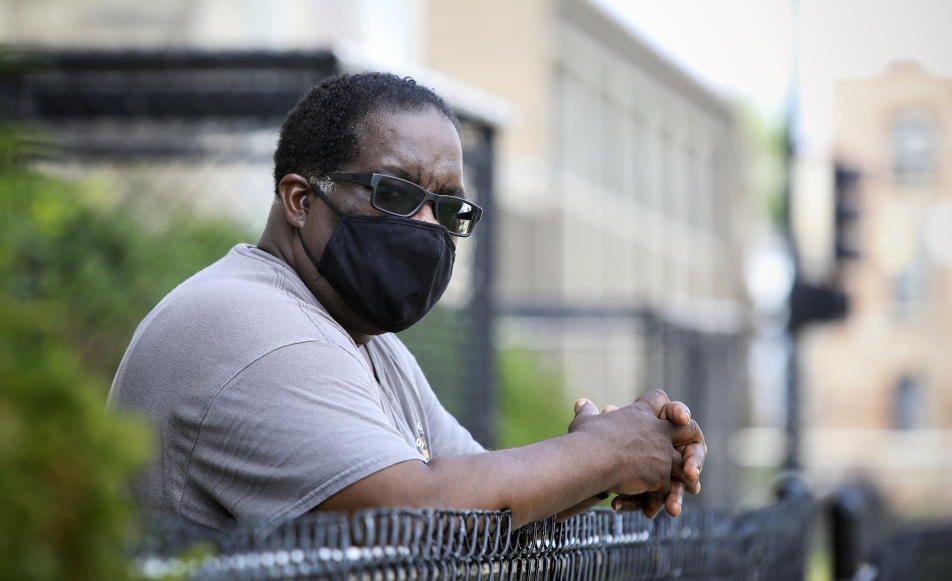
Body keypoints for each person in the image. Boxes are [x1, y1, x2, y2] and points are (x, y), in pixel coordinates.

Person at [108, 72, 706, 531]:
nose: (426, 226)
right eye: (395, 193)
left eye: (448, 209)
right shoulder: (250, 326)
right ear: (299, 200)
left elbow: (484, 507)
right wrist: (600, 453)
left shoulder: (365, 342)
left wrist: (617, 457)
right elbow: (411, 513)